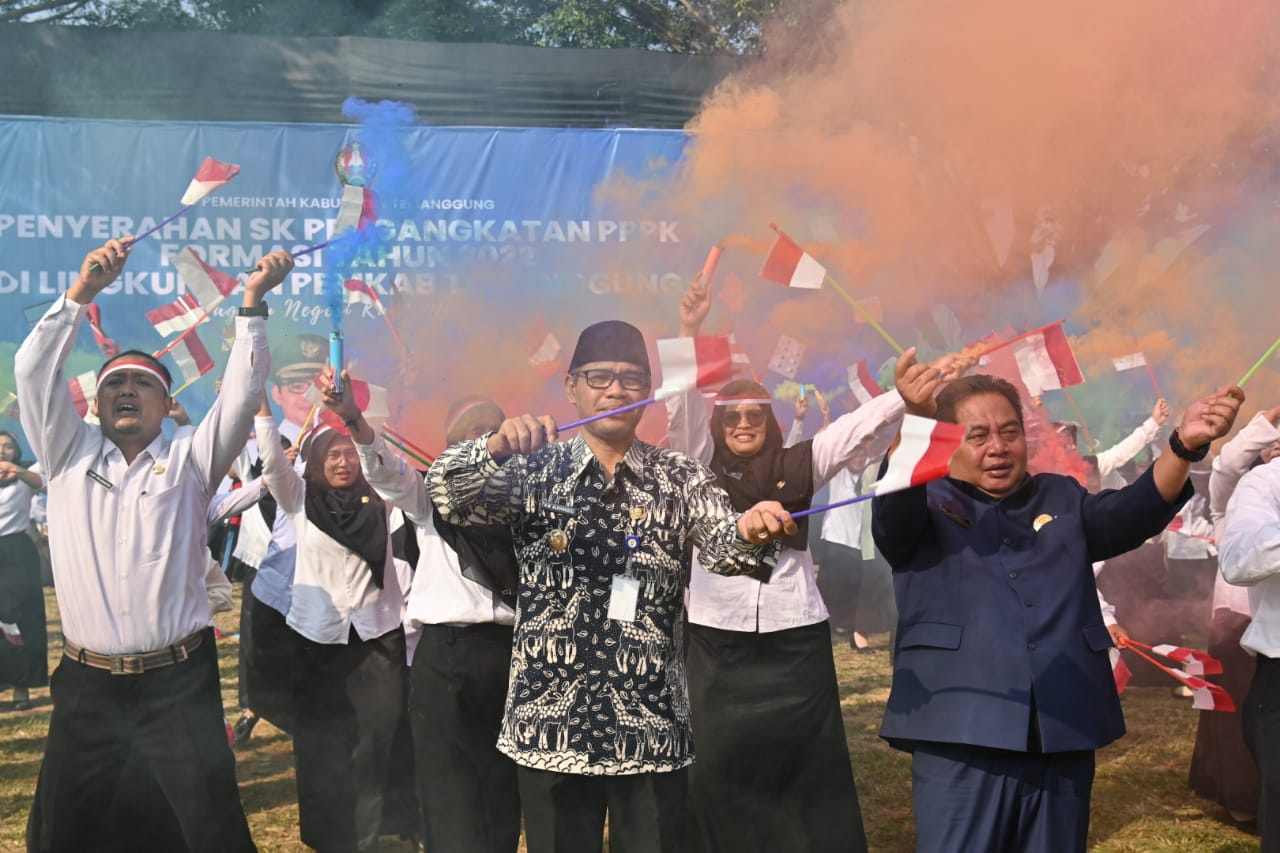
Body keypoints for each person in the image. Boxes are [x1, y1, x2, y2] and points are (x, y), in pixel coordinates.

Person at [427, 319, 794, 853]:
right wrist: (494, 447)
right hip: (549, 726)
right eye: (599, 377)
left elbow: (726, 549)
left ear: (647, 392)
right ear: (573, 387)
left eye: (631, 379)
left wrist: (752, 526)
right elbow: (446, 492)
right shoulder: (532, 471)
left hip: (649, 726)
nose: (615, 390)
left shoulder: (680, 477)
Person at [871, 353, 1241, 853]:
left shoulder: (1060, 497)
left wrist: (1183, 444)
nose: (998, 448)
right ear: (946, 444)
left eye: (1009, 432)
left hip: (1061, 726)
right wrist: (916, 417)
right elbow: (895, 500)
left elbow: (1130, 513)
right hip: (962, 731)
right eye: (976, 436)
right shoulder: (923, 502)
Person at [17, 238, 293, 853]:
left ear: (166, 405)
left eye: (144, 384)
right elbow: (34, 372)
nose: (128, 390)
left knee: (210, 831)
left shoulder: (190, 458)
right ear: (94, 403)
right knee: (63, 833)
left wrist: (252, 303)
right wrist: (81, 293)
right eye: (117, 382)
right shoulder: (67, 453)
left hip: (178, 686)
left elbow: (243, 396)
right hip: (87, 687)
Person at [667, 278, 944, 852]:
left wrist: (903, 398)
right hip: (716, 640)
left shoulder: (800, 461)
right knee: (717, 760)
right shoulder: (693, 464)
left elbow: (852, 432)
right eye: (732, 416)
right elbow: (685, 407)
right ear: (717, 426)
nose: (744, 423)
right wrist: (690, 332)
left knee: (805, 761)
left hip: (796, 638)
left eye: (756, 414)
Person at [322, 387, 522, 853]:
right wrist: (354, 419)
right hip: (445, 657)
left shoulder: (524, 499)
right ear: (450, 447)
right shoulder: (428, 493)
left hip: (510, 656)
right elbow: (384, 471)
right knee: (446, 788)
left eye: (490, 429)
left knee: (501, 788)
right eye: (468, 433)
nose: (482, 439)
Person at [254, 392, 410, 853]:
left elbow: (381, 458)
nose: (342, 463)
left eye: (348, 454)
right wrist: (260, 401)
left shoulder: (380, 498)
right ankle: (328, 838)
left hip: (378, 641)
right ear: (315, 462)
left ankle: (372, 835)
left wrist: (353, 420)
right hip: (316, 639)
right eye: (332, 454)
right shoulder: (300, 500)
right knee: (322, 744)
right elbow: (271, 461)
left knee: (375, 742)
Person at [1191, 403, 1280, 827]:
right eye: (1269, 445)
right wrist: (1264, 422)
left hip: (1264, 627)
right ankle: (1239, 798)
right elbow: (1226, 464)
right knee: (1230, 717)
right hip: (1235, 624)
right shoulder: (1235, 500)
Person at [0, 429, 47, 709]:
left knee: (21, 618)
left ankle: (23, 686)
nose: (2, 450)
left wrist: (17, 471)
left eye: (8, 446)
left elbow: (43, 483)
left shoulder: (25, 474)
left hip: (17, 551)